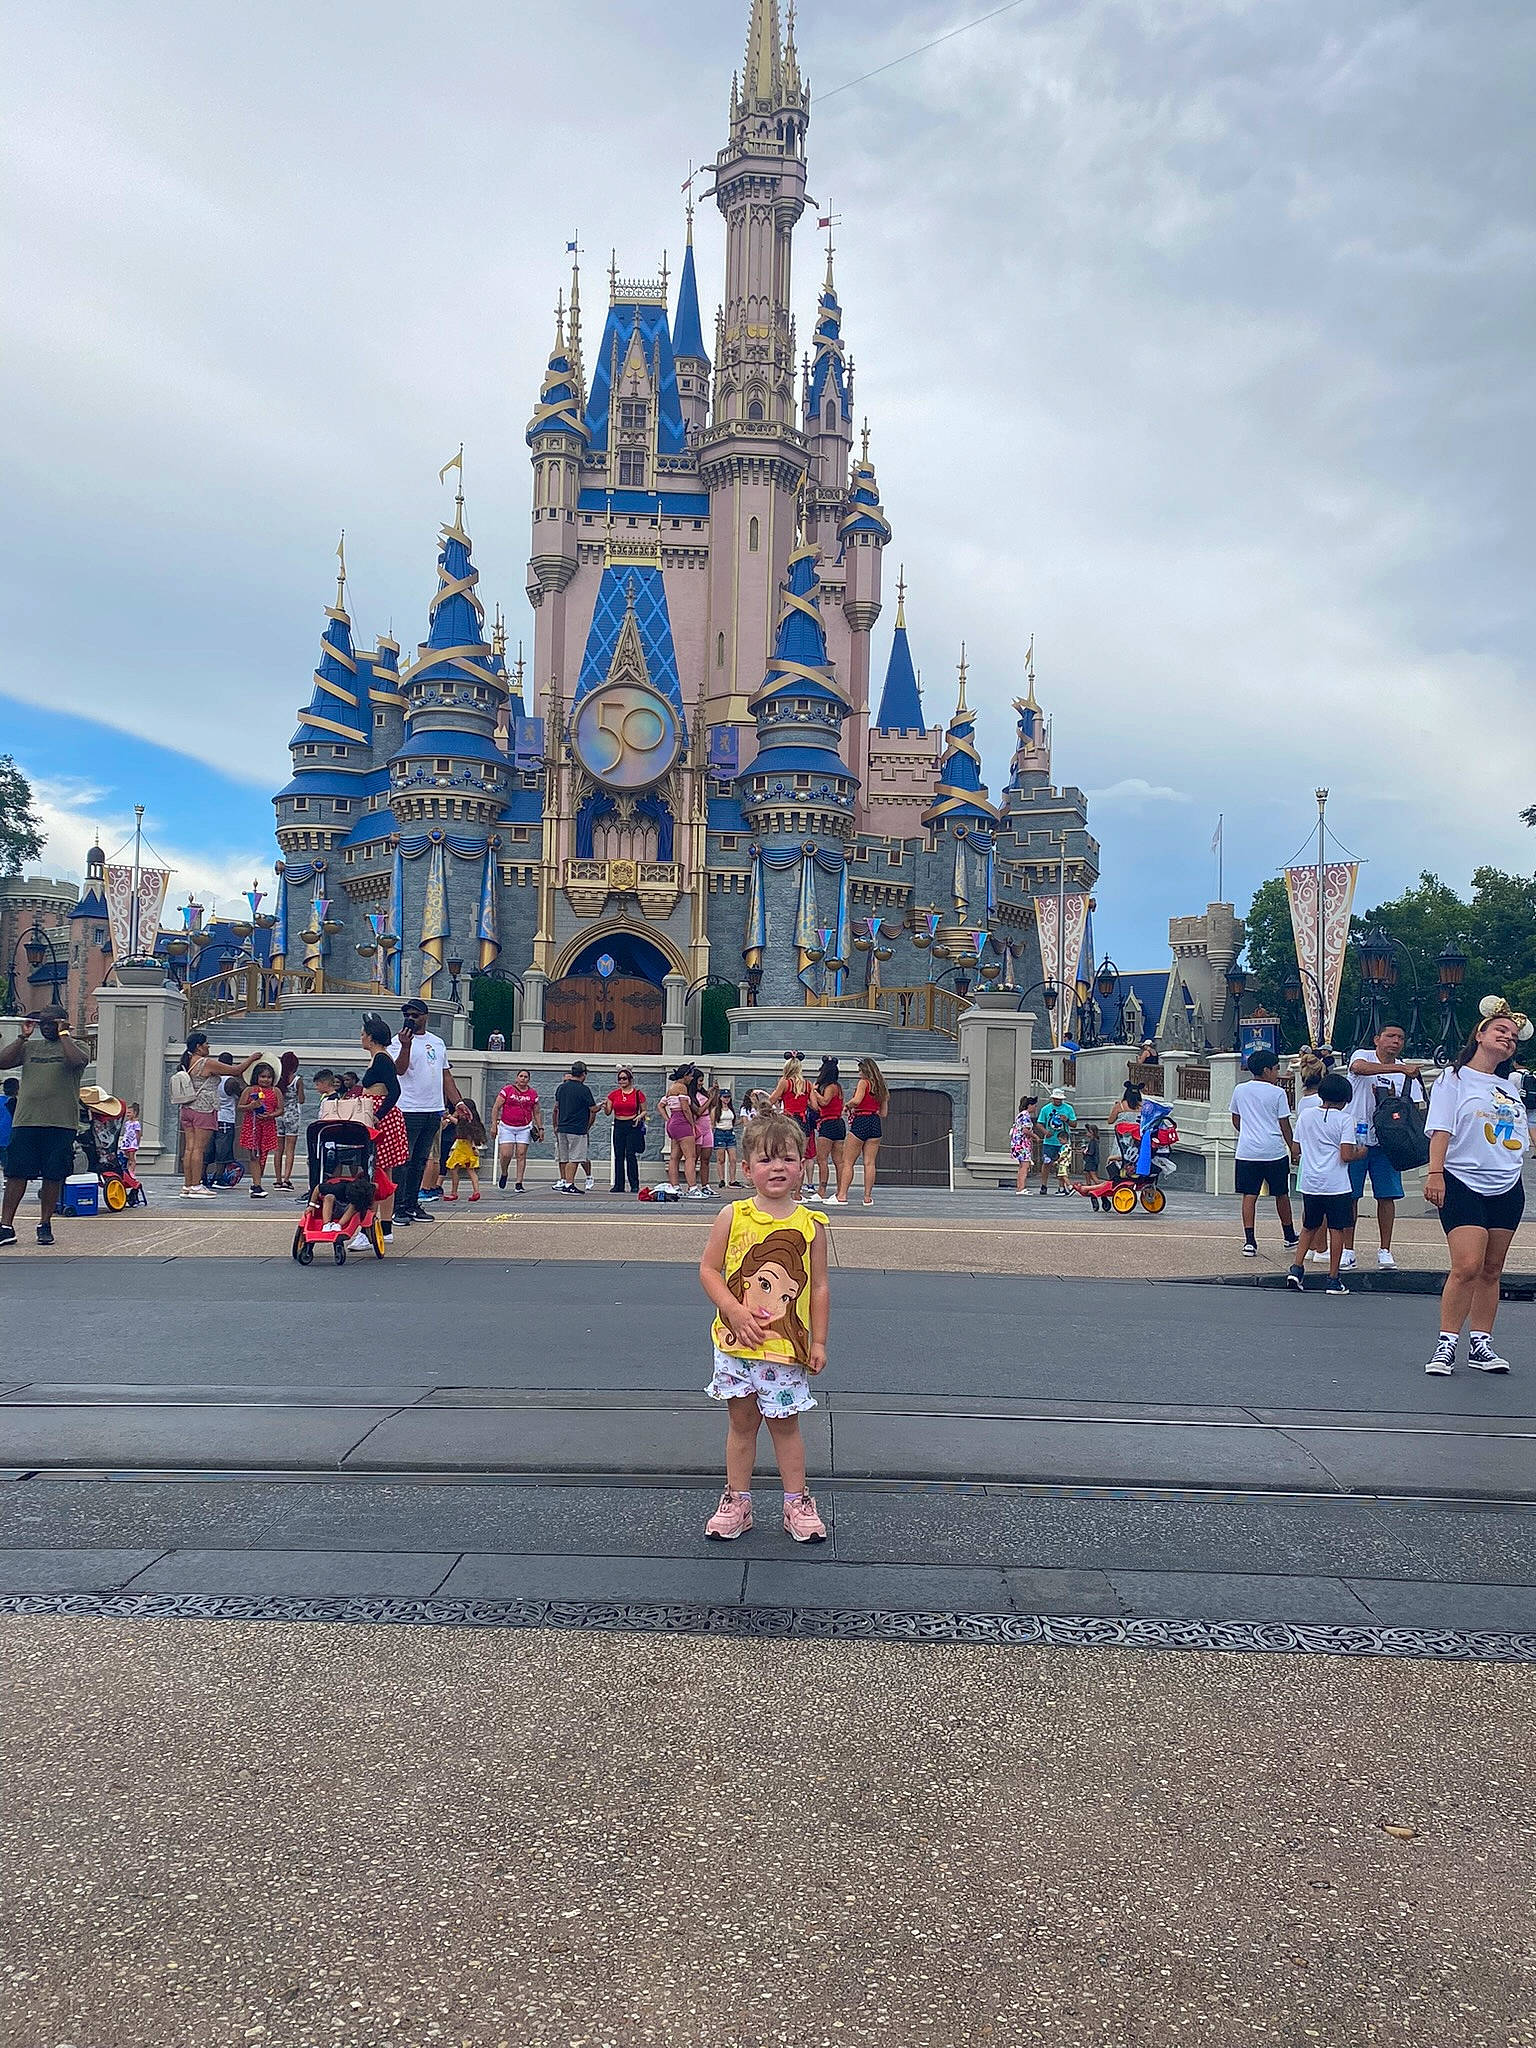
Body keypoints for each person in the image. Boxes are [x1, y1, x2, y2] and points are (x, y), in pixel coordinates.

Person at [698, 1110, 830, 1545]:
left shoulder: (811, 1225)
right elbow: (709, 1270)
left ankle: (797, 1502)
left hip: (784, 1349)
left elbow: (821, 1287)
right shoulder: (732, 1216)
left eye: (788, 1159)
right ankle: (737, 1500)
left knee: (786, 1426)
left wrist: (820, 1340)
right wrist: (733, 1309)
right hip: (736, 1346)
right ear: (746, 1167)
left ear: (802, 1166)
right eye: (766, 1160)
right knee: (741, 1424)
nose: (778, 1168)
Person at [1423, 997, 1532, 1376]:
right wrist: (1435, 1173)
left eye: (1514, 1037)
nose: (1508, 1039)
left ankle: (1481, 1344)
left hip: (1506, 1183)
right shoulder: (1453, 1078)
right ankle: (1446, 1343)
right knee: (1467, 1265)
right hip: (1462, 1180)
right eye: (1501, 1031)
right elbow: (1441, 1129)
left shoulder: (1510, 1087)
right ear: (1481, 1033)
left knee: (1492, 1268)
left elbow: (1517, 1133)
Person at [0, 1009, 90, 1248]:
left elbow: (77, 1061)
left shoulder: (77, 1046)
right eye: (43, 1023)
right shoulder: (30, 1047)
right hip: (26, 1121)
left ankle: (45, 1224)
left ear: (63, 1024)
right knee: (16, 1173)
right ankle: (6, 1226)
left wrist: (64, 1035)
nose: (46, 1027)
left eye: (52, 1023)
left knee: (53, 1174)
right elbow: (3, 1062)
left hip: (60, 1123)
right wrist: (22, 1037)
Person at [1342, 1024, 1423, 1272]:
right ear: (1378, 1039)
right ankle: (1348, 1249)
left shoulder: (1407, 1075)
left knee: (1386, 1196)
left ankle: (1385, 1249)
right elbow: (1359, 1069)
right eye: (1390, 1036)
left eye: (1400, 1037)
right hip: (1356, 1138)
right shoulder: (1363, 1056)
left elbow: (1417, 1105)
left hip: (1387, 1142)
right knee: (1350, 1196)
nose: (1395, 1041)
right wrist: (1399, 1067)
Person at [1286, 1072, 1365, 1296]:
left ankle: (1297, 1268)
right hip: (1336, 1183)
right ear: (1345, 1099)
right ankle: (1333, 1278)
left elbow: (1296, 1149)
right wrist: (1362, 1152)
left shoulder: (1306, 1116)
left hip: (1311, 1181)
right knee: (1337, 1229)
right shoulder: (1345, 1120)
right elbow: (1346, 1155)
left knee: (1309, 1226)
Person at [1229, 1050, 1300, 1257]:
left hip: (1247, 1151)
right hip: (1273, 1151)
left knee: (1249, 1195)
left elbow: (1235, 1118)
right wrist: (1293, 1148)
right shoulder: (1277, 1093)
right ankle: (1288, 1235)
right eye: (1276, 1068)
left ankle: (1250, 1241)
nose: (1277, 1072)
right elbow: (1284, 1125)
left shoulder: (1240, 1090)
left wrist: (1249, 1133)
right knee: (1281, 1194)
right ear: (1267, 1070)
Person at [390, 999, 454, 1223]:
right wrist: (406, 1045)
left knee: (420, 1160)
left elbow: (446, 1075)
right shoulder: (397, 1042)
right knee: (403, 1160)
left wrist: (459, 1103)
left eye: (415, 1015)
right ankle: (397, 1207)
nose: (411, 1019)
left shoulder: (437, 1042)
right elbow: (399, 1069)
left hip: (432, 1108)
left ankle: (411, 1203)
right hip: (408, 1108)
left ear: (425, 1016)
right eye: (407, 1015)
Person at [175, 1033, 261, 1200]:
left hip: (187, 1108)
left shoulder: (187, 1062)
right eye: (206, 1044)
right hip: (203, 1108)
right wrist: (252, 1058)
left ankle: (187, 1185)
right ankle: (197, 1185)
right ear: (198, 1046)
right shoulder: (205, 1063)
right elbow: (236, 1070)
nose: (208, 1047)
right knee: (199, 1149)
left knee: (189, 1148)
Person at [360, 1015, 406, 1244]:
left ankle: (370, 1226)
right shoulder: (379, 1058)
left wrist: (377, 1115)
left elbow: (395, 1091)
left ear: (371, 1037)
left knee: (376, 1173)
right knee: (382, 1174)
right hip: (376, 1114)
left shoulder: (382, 1060)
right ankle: (384, 1227)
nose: (361, 1037)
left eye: (363, 1034)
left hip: (381, 1118)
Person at [836, 1057, 889, 1207]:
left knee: (848, 1161)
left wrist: (848, 1104)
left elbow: (857, 1101)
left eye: (860, 1070)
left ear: (865, 1070)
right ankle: (867, 1197)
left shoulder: (863, 1083)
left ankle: (842, 1195)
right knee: (870, 1162)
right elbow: (883, 1113)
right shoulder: (882, 1087)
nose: (858, 1073)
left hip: (861, 1120)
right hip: (875, 1122)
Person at [235, 1063, 283, 1198]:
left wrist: (270, 1115)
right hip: (252, 1125)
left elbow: (280, 1109)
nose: (265, 1080)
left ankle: (257, 1182)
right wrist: (251, 1106)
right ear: (256, 1076)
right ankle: (257, 1185)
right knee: (253, 1155)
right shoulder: (250, 1090)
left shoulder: (276, 1091)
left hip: (268, 1126)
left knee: (263, 1155)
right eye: (262, 1076)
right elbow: (240, 1107)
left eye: (268, 1077)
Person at [769, 1055, 816, 1192]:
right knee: (800, 1156)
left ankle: (786, 1186)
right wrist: (803, 1099)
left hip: (788, 1120)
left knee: (784, 1153)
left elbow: (772, 1100)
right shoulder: (808, 1084)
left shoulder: (785, 1082)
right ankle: (798, 1192)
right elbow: (814, 1105)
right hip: (803, 1121)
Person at [552, 1059, 597, 1192]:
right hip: (577, 1128)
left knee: (564, 1157)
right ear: (583, 1074)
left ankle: (564, 1180)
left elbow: (557, 1107)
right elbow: (593, 1109)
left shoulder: (561, 1088)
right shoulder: (584, 1089)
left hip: (562, 1127)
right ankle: (569, 1185)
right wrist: (600, 1106)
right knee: (575, 1157)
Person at [493, 1069, 540, 1192]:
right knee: (506, 1154)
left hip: (524, 1127)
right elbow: (496, 1107)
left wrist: (540, 1128)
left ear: (528, 1079)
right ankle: (504, 1172)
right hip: (507, 1126)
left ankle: (519, 1182)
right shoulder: (507, 1090)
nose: (523, 1078)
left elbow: (536, 1112)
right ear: (516, 1078)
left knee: (521, 1154)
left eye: (525, 1076)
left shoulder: (532, 1094)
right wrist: (494, 1125)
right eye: (521, 1076)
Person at [807, 1056, 845, 1205]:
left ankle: (822, 1191)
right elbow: (817, 1106)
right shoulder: (839, 1087)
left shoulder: (830, 1087)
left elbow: (824, 1102)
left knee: (822, 1159)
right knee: (838, 1161)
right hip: (838, 1123)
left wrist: (814, 1092)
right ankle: (840, 1190)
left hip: (829, 1123)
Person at [603, 1066, 647, 1194]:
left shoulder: (638, 1093)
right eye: (619, 1079)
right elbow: (608, 1112)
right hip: (619, 1124)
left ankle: (634, 1184)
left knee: (630, 1154)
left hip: (632, 1123)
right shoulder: (614, 1094)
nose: (622, 1081)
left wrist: (639, 1117)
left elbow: (644, 1110)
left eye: (624, 1078)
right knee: (619, 1155)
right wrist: (605, 1106)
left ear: (630, 1079)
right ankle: (619, 1185)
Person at [661, 1064, 703, 1197]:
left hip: (673, 1122)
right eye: (690, 1076)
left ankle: (675, 1187)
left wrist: (668, 1119)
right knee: (690, 1156)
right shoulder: (682, 1088)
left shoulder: (671, 1088)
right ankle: (692, 1188)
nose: (691, 1078)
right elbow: (685, 1108)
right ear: (685, 1076)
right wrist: (692, 1124)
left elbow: (660, 1105)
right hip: (682, 1122)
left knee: (674, 1157)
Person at [203, 1065, 240, 1187]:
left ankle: (202, 1176)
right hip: (226, 1119)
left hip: (212, 1116)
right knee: (223, 1150)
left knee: (208, 1149)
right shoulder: (230, 1081)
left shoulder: (212, 1079)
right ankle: (218, 1177)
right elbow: (240, 1094)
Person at [273, 1052, 305, 1190]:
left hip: (278, 1114)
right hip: (292, 1115)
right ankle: (287, 1179)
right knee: (290, 1149)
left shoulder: (277, 1080)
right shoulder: (297, 1079)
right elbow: (301, 1099)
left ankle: (278, 1179)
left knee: (278, 1149)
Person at [1036, 1088, 1077, 1193]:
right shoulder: (1045, 1109)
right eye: (1056, 1099)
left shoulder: (1068, 1108)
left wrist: (1067, 1120)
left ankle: (1061, 1186)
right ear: (1052, 1098)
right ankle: (1044, 1185)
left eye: (1060, 1099)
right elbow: (1039, 1123)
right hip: (1049, 1141)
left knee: (1062, 1164)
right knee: (1047, 1163)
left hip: (1063, 1142)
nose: (1058, 1101)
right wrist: (1045, 1132)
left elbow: (1074, 1124)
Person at [443, 1098, 486, 1201]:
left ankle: (454, 1192)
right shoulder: (474, 1121)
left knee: (453, 1169)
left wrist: (448, 1116)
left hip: (462, 1147)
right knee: (471, 1170)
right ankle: (476, 1191)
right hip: (467, 1147)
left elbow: (457, 1122)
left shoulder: (465, 1121)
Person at [1010, 1093, 1038, 1195]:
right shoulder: (1025, 1115)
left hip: (1018, 1143)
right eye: (1034, 1106)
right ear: (1030, 1105)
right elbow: (1025, 1130)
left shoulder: (1020, 1114)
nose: (1035, 1108)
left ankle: (1020, 1187)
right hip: (1022, 1144)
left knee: (1022, 1166)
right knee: (1025, 1166)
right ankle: (1021, 1188)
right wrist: (1035, 1136)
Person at [713, 1089, 738, 1188]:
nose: (726, 1099)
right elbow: (712, 1123)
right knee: (721, 1159)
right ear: (720, 1098)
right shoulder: (716, 1110)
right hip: (720, 1132)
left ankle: (733, 1179)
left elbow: (733, 1121)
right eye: (725, 1097)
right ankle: (721, 1179)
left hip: (730, 1132)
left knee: (733, 1158)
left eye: (728, 1097)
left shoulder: (731, 1109)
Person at [120, 1101, 142, 1178]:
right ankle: (126, 1169)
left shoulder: (136, 1123)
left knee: (132, 1157)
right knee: (126, 1156)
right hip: (126, 1142)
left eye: (129, 1113)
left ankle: (132, 1171)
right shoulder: (127, 1123)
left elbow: (138, 1133)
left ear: (135, 1113)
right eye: (127, 1113)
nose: (127, 1114)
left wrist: (137, 1143)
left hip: (132, 1142)